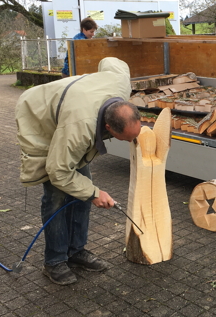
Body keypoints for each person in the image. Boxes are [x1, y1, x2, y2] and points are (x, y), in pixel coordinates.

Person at [15, 57, 141, 285]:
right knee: (57, 197)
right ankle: (54, 262)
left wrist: (89, 193)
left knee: (82, 194)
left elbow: (112, 61)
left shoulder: (121, 85)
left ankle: (75, 252)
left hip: (74, 109)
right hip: (40, 117)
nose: (131, 141)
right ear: (108, 127)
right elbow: (58, 171)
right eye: (126, 139)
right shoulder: (78, 129)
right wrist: (95, 193)